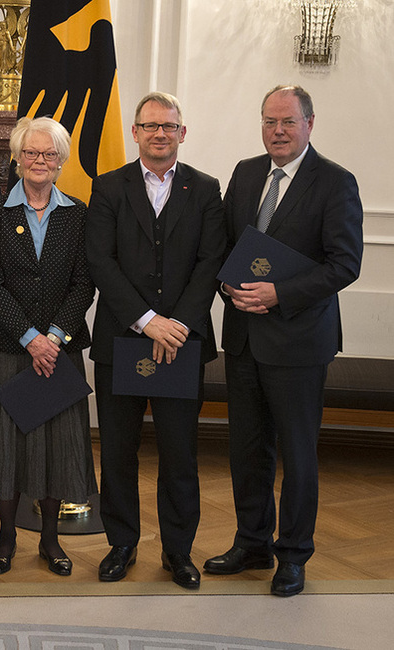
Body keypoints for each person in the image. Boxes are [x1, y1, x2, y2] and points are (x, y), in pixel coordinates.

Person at [205, 85, 363, 597]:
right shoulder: (247, 172)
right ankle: (252, 541)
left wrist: (279, 294)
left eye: (288, 122)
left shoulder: (336, 182)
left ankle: (293, 555)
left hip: (299, 343)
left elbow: (345, 264)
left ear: (309, 124)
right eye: (270, 121)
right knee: (247, 450)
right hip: (245, 338)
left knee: (296, 453)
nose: (278, 130)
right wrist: (227, 285)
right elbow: (226, 243)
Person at [85, 92, 226, 590]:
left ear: (182, 133)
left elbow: (212, 262)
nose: (159, 134)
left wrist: (178, 325)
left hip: (182, 341)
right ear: (136, 133)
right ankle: (121, 544)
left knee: (179, 453)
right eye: (150, 126)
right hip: (123, 339)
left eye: (169, 126)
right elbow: (100, 261)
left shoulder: (206, 189)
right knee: (119, 451)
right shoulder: (107, 187)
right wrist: (148, 322)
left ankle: (177, 551)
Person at [0, 116, 96, 576]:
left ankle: (51, 542)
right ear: (17, 159)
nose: (40, 161)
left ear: (60, 161)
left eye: (49, 154)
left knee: (56, 447)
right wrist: (29, 338)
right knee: (8, 448)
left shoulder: (78, 214)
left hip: (59, 351)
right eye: (31, 153)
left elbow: (85, 284)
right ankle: (4, 538)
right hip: (7, 347)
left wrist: (53, 338)